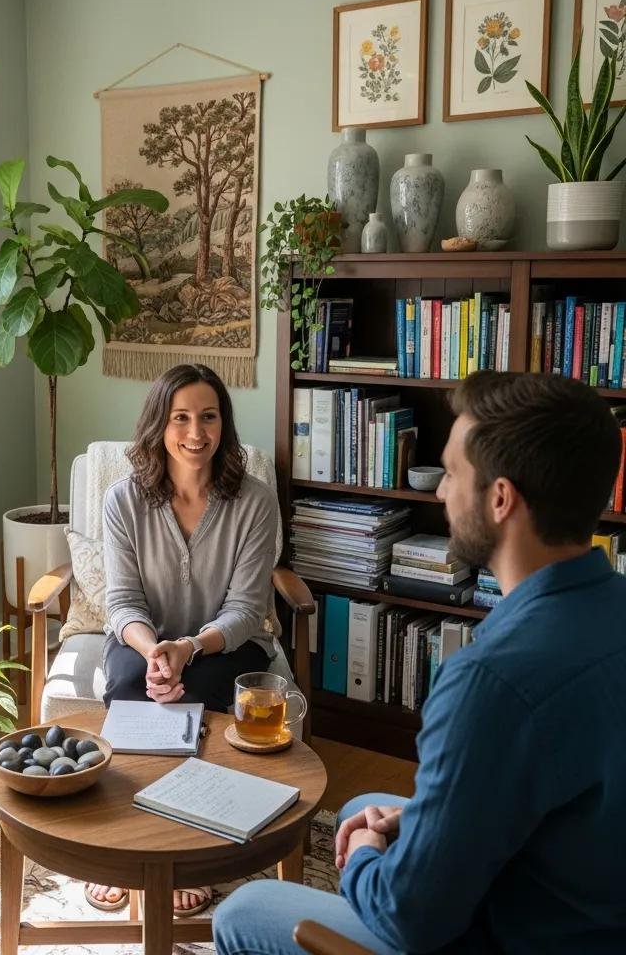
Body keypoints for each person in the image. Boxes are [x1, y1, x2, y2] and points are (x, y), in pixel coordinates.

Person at [214, 370, 626, 954]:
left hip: (520, 932)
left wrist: (364, 859)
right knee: (365, 806)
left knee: (244, 911)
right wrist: (416, 824)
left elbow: (407, 917)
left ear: (500, 499)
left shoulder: (490, 681)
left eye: (452, 473)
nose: (440, 493)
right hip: (589, 891)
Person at [85, 362, 281, 918]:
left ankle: (189, 852)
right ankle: (121, 843)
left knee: (200, 695)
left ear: (224, 424)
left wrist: (188, 648)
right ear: (160, 424)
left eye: (209, 417)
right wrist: (154, 652)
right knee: (128, 688)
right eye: (181, 418)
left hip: (225, 642)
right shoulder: (123, 500)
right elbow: (122, 603)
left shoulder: (255, 501)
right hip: (143, 639)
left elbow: (246, 610)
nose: (196, 433)